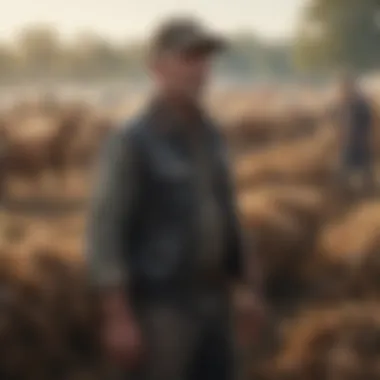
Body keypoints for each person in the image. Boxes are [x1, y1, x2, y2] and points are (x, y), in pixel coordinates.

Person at [87, 16, 263, 380]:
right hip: (160, 312)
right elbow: (106, 233)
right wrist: (118, 319)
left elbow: (228, 216)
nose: (200, 70)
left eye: (205, 60)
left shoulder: (210, 135)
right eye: (189, 58)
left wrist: (245, 288)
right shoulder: (132, 141)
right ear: (157, 67)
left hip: (214, 305)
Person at [333, 73, 375, 192]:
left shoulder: (359, 104)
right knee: (347, 170)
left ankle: (365, 193)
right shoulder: (346, 104)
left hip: (357, 142)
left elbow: (366, 123)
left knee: (360, 170)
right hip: (350, 143)